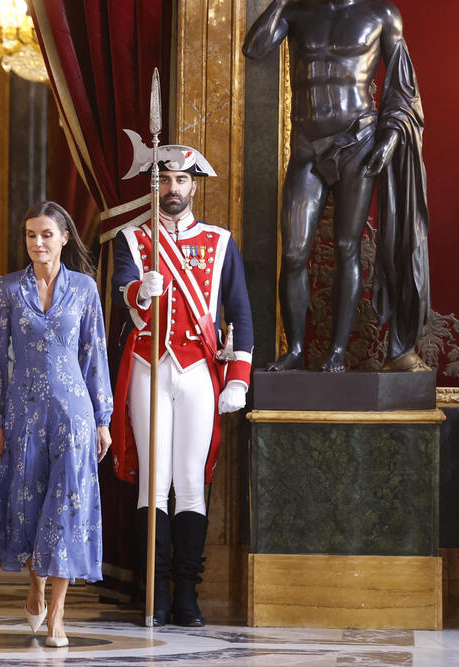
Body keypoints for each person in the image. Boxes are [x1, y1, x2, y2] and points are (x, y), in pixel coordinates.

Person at [0, 201, 113, 647]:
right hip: (23, 416)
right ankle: (36, 586)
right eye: (30, 235)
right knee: (30, 507)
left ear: (64, 237)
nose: (37, 243)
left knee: (65, 508)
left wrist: (102, 419)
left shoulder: (84, 289)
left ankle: (58, 614)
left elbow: (94, 354)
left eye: (46, 234)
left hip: (73, 417)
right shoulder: (8, 289)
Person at [108, 147, 253, 626]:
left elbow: (240, 311)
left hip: (198, 373)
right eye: (165, 179)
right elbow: (123, 290)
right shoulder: (132, 239)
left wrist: (238, 379)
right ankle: (156, 592)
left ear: (195, 185)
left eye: (181, 180)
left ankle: (188, 593)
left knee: (191, 483)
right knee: (155, 481)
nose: (172, 188)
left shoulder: (219, 241)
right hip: (149, 368)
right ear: (155, 185)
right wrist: (138, 291)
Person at [244, 0, 429, 372]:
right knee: (294, 252)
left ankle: (337, 353)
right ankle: (295, 350)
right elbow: (254, 49)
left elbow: (402, 87)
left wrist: (390, 139)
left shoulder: (381, 14)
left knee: (348, 247)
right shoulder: (297, 12)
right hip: (307, 148)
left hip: (357, 144)